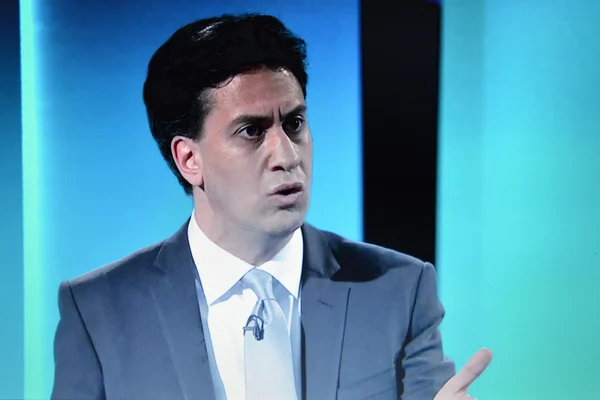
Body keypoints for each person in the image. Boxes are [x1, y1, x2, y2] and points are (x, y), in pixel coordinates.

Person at [51, 13, 491, 400]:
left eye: (295, 123)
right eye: (251, 131)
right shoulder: (99, 312)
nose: (286, 155)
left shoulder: (398, 289)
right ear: (190, 159)